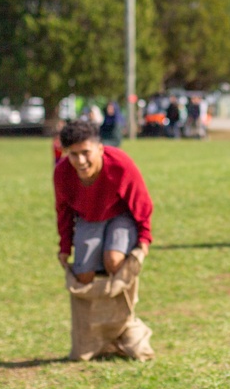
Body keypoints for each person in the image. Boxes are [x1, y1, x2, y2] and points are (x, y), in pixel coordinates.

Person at [54, 119, 155, 360]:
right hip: (88, 219)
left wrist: (144, 238)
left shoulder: (119, 164)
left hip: (121, 215)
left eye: (86, 153)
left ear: (99, 148)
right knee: (84, 275)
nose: (80, 161)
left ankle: (123, 325)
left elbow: (141, 202)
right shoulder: (62, 173)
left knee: (114, 260)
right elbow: (64, 210)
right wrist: (65, 246)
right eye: (73, 154)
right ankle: (96, 334)